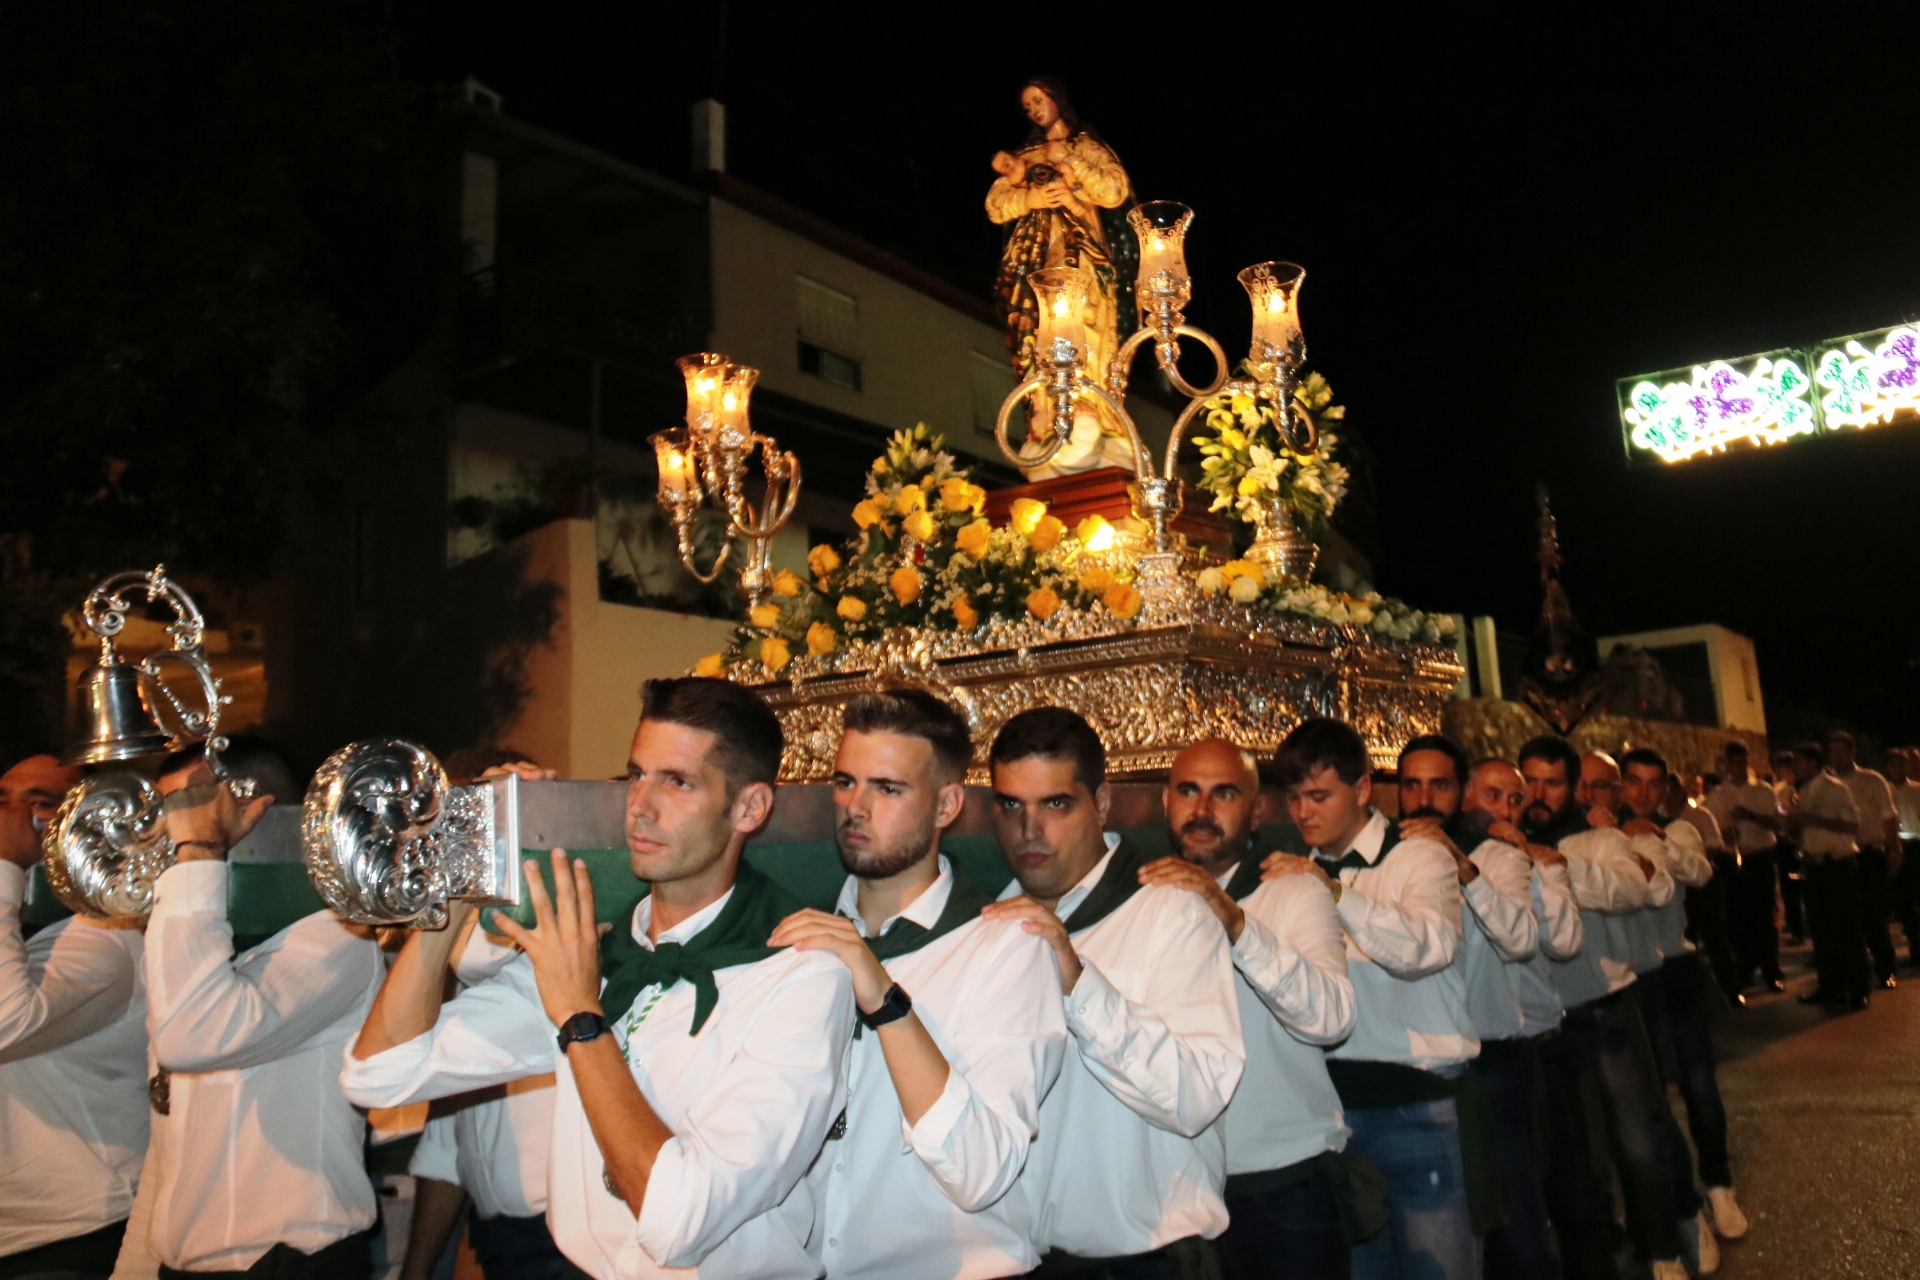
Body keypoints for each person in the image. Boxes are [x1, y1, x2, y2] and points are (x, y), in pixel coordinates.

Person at [341, 677, 858, 1279]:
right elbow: (380, 1073)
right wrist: (464, 856)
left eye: (678, 782)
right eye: (637, 774)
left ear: (749, 808)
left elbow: (680, 1221)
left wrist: (581, 1018)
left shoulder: (801, 978)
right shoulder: (595, 952)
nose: (640, 805)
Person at [774, 690, 1067, 1280]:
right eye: (845, 782)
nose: (855, 808)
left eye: (887, 789)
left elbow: (980, 1170)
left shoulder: (1006, 948)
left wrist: (886, 1000)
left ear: (946, 805)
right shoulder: (799, 941)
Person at [980, 707, 1243, 1279]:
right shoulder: (986, 927)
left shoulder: (1172, 914)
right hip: (1019, 1257)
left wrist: (1078, 983)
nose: (1029, 830)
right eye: (1011, 805)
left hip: (1148, 1259)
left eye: (1055, 804)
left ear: (1100, 803)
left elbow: (1197, 1096)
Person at [107, 747, 386, 1280]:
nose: (164, 836)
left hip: (291, 1267)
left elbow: (194, 1037)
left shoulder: (337, 939)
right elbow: (169, 1156)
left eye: (186, 812)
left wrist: (201, 851)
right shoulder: (187, 945)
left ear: (254, 813)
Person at [1259, 719, 1477, 1280]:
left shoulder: (1417, 856)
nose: (1303, 813)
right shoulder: (1296, 874)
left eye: (1319, 796)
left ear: (1361, 790)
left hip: (1418, 1103)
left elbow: (1428, 947)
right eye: (1294, 798)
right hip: (1335, 1114)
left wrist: (1334, 893)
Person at [1141, 737, 1354, 1280]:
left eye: (1224, 794)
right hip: (1177, 1194)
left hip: (1282, 1184)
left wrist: (1236, 923)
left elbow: (1333, 1019)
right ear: (1166, 801)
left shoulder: (1294, 893)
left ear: (1257, 811)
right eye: (1188, 791)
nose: (1202, 810)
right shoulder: (1141, 899)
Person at [1520, 737, 1686, 1280]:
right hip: (1542, 1018)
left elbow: (1632, 889)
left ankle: (1661, 1249)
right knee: (1570, 1153)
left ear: (1572, 789)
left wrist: (1559, 866)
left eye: (1551, 783)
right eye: (1530, 781)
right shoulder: (1503, 841)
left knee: (1636, 1137)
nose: (1538, 793)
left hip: (1604, 1004)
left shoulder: (1597, 839)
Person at [1395, 737, 1554, 1280]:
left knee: (1514, 1221)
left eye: (1438, 784)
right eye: (1412, 784)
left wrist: (1461, 866)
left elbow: (1520, 938)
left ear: (1461, 792)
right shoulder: (1387, 858)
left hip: (1490, 1063)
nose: (1423, 798)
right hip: (1417, 1067)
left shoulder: (1496, 857)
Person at [399, 759, 562, 1280]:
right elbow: (446, 1148)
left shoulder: (545, 923)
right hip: (501, 1235)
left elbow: (475, 955)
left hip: (562, 1237)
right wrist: (416, 1271)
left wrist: (502, 817)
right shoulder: (464, 966)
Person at [0, 755, 149, 1280]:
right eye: (3, 800)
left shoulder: (106, 933)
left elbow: (7, 1022)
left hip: (76, 1231)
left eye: (38, 803)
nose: (12, 817)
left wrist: (6, 865)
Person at [1455, 758, 1584, 1280]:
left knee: (1545, 1190)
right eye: (1493, 795)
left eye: (1514, 799)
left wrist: (1530, 861)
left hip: (1531, 1043)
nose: (1505, 810)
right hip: (1471, 1049)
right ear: (1466, 795)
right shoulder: (1441, 855)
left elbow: (1562, 939)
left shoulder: (1529, 859)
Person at [1621, 749, 1747, 1256]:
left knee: (1699, 1085)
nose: (1643, 792)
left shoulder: (1679, 830)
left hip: (1675, 971)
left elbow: (1700, 872)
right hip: (1632, 977)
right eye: (1634, 781)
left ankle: (1719, 1184)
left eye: (1654, 784)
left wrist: (1653, 838)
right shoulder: (1602, 834)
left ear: (1667, 789)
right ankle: (1685, 1204)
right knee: (1653, 1100)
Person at [1784, 742, 1871, 1010]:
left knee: (1846, 929)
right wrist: (1794, 826)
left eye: (1799, 762)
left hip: (1837, 866)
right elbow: (1805, 829)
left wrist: (1812, 820)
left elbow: (1852, 825)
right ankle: (1830, 986)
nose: (1794, 767)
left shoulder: (1835, 788)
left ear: (1812, 763)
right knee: (1821, 930)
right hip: (1814, 867)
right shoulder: (1803, 791)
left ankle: (1858, 989)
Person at [1704, 742, 1786, 994]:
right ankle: (1744, 970)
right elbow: (1709, 830)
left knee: (1765, 916)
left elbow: (1777, 823)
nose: (1738, 767)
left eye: (1742, 762)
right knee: (1736, 918)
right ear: (1727, 764)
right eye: (1734, 763)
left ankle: (1771, 971)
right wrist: (1723, 834)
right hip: (1731, 860)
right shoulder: (1718, 794)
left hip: (1759, 857)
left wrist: (1751, 816)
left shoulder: (1764, 790)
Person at [1824, 731, 1900, 987]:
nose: (1836, 758)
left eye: (1841, 752)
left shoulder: (1871, 780)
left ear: (1852, 752)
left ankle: (1886, 969)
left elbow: (1889, 816)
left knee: (1874, 915)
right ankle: (1854, 973)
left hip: (1869, 853)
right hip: (1840, 856)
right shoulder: (1826, 784)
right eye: (1832, 753)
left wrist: (1894, 849)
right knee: (1846, 919)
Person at [1887, 748, 1920, 969]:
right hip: (1895, 845)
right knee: (1904, 901)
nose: (1899, 769)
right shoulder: (1885, 790)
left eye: (1903, 764)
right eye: (1894, 764)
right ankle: (1915, 945)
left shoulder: (1917, 789)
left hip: (1916, 845)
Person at [1770, 752, 1806, 942]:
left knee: (1800, 884)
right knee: (1790, 887)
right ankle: (1796, 926)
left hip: (1801, 842)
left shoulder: (1801, 787)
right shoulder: (1779, 789)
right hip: (1786, 844)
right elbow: (1777, 811)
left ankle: (1801, 926)